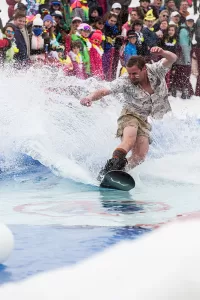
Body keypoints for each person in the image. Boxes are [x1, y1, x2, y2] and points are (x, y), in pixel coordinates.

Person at [80, 47, 177, 180]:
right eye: (129, 73)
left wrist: (162, 53)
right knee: (129, 140)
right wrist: (90, 97)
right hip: (129, 114)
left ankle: (120, 173)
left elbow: (173, 58)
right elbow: (104, 91)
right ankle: (109, 169)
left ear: (144, 69)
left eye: (134, 73)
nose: (131, 77)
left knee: (140, 156)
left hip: (143, 119)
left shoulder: (155, 70)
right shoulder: (125, 81)